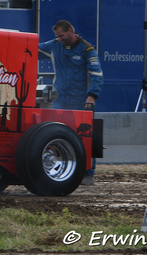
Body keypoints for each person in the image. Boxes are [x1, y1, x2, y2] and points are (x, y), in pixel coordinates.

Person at [38, 20, 103, 185]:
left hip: (81, 101)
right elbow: (32, 48)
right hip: (60, 100)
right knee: (57, 134)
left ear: (70, 31)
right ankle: (61, 169)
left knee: (88, 136)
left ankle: (89, 173)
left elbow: (97, 75)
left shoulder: (87, 49)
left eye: (61, 35)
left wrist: (92, 97)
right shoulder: (54, 45)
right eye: (57, 36)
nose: (59, 39)